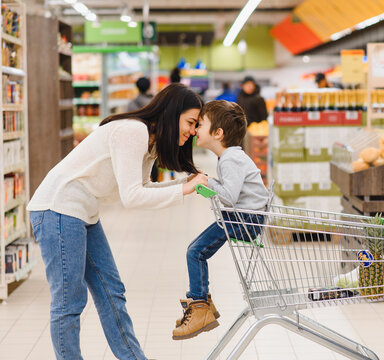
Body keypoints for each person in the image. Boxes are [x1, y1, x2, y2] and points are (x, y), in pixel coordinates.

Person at [27, 83, 208, 360]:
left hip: (83, 213)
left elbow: (142, 187)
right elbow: (132, 197)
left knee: (113, 293)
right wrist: (183, 190)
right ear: (173, 114)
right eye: (191, 122)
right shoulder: (132, 131)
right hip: (58, 209)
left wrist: (186, 183)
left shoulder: (150, 142)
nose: (193, 131)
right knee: (69, 302)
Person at [172, 100, 268, 340]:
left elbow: (229, 197)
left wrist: (206, 181)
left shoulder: (230, 159)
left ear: (218, 133)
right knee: (197, 250)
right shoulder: (230, 156)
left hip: (245, 219)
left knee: (195, 251)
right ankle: (203, 303)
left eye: (200, 125)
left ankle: (200, 306)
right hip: (244, 217)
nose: (195, 130)